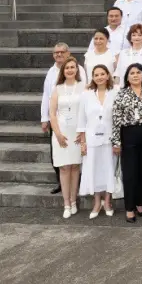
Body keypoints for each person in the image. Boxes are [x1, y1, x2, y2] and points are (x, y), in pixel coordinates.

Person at [111, 63, 142, 222]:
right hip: (128, 134)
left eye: (138, 72)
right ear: (127, 77)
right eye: (132, 73)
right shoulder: (121, 94)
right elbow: (116, 119)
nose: (135, 75)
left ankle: (139, 203)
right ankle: (129, 208)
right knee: (130, 173)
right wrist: (116, 142)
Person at [77, 64, 117, 219]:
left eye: (102, 74)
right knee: (93, 169)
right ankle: (96, 202)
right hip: (92, 138)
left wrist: (117, 141)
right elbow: (81, 119)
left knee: (108, 169)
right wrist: (83, 142)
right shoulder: (86, 95)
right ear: (92, 78)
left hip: (109, 139)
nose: (100, 77)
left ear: (108, 75)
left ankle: (107, 202)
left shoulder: (115, 92)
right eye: (96, 75)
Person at [50, 58, 85, 218]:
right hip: (61, 133)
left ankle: (73, 200)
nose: (70, 70)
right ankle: (66, 203)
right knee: (64, 168)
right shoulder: (57, 88)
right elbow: (52, 113)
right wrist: (57, 134)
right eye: (67, 68)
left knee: (75, 167)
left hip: (77, 133)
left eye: (73, 67)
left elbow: (86, 111)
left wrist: (82, 133)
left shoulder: (84, 87)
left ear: (77, 70)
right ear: (63, 71)